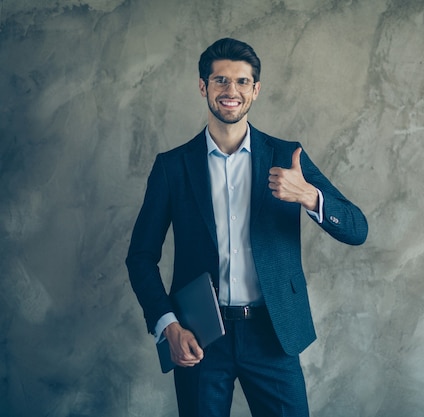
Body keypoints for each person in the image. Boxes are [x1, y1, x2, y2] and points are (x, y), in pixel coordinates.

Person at [126, 37, 368, 417]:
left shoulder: (287, 157)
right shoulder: (172, 167)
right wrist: (168, 325)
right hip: (200, 336)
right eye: (220, 80)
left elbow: (357, 228)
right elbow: (139, 257)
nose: (231, 91)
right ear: (203, 86)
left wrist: (309, 197)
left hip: (273, 334)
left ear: (255, 90)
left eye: (241, 82)